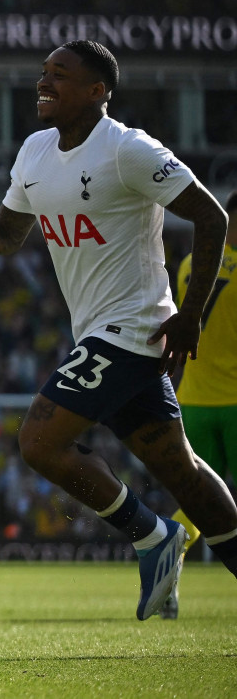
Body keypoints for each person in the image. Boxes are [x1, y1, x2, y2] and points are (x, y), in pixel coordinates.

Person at [0, 39, 237, 620]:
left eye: (60, 74)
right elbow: (5, 235)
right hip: (101, 334)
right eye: (43, 72)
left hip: (131, 328)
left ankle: (153, 536)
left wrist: (191, 312)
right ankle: (171, 537)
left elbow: (211, 215)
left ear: (98, 91)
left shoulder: (128, 150)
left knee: (38, 441)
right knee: (181, 470)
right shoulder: (34, 152)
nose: (44, 82)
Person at [162, 189, 237, 618]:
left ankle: (171, 562)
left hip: (192, 399)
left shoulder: (192, 264)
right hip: (234, 402)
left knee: (193, 499)